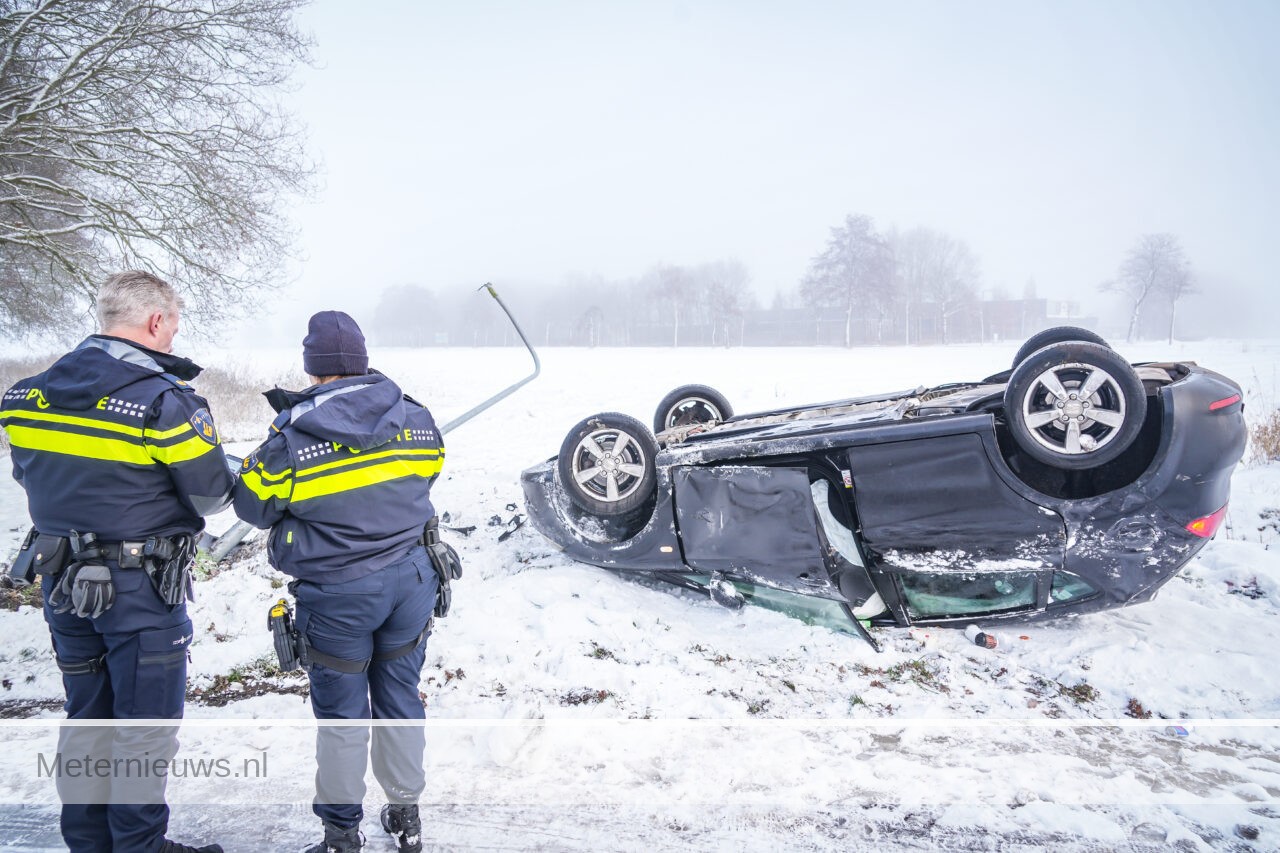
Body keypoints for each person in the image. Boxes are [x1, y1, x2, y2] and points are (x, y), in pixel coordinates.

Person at [0, 270, 235, 853]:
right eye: (174, 325)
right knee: (143, 731)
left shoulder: (24, 396)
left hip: (61, 582)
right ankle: (139, 847)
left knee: (87, 719)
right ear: (156, 322)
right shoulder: (164, 402)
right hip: (140, 589)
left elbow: (30, 474)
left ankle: (88, 843)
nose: (174, 338)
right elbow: (211, 494)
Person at [232, 311, 446, 853]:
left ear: (313, 369)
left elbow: (251, 505)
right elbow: (430, 469)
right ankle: (407, 817)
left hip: (339, 594)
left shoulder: (292, 439)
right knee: (400, 698)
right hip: (412, 581)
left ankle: (341, 835)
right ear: (362, 359)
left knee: (342, 716)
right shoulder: (417, 417)